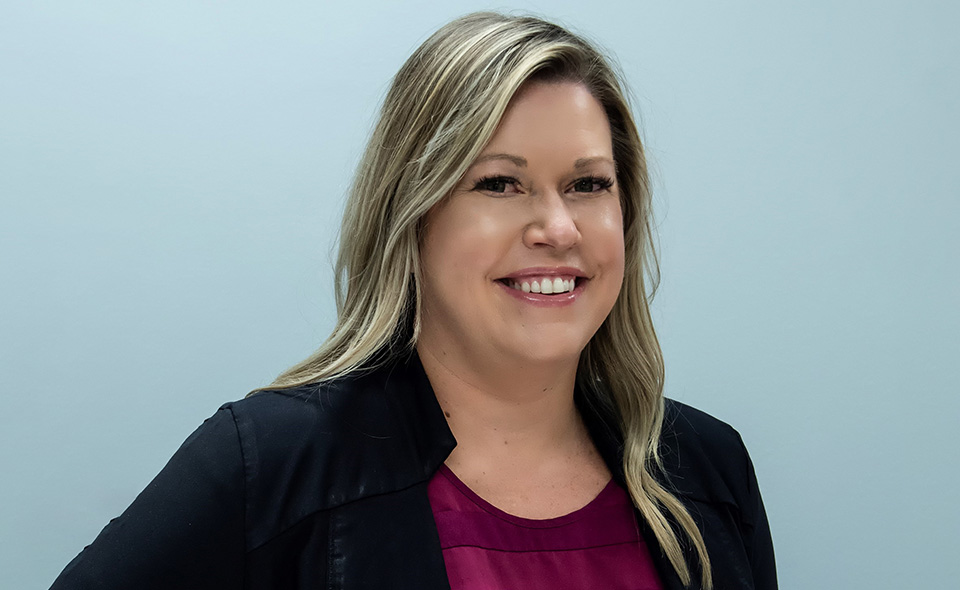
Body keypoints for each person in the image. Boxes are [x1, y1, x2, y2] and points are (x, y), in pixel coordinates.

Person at [51, 11, 776, 590]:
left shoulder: (706, 471)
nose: (558, 228)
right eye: (500, 183)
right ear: (413, 214)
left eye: (588, 184)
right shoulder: (269, 465)